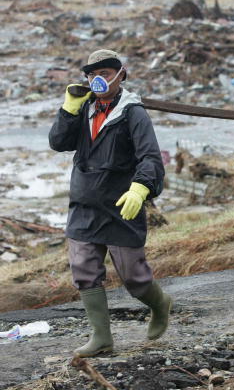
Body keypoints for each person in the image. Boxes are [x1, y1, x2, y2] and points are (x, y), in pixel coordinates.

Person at [49, 49, 170, 357]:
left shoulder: (133, 113)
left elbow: (151, 158)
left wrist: (140, 189)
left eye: (103, 74)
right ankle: (102, 337)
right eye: (91, 75)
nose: (97, 80)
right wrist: (68, 110)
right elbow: (58, 143)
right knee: (84, 269)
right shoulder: (85, 108)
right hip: (84, 204)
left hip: (121, 205)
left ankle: (160, 304)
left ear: (120, 75)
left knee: (134, 277)